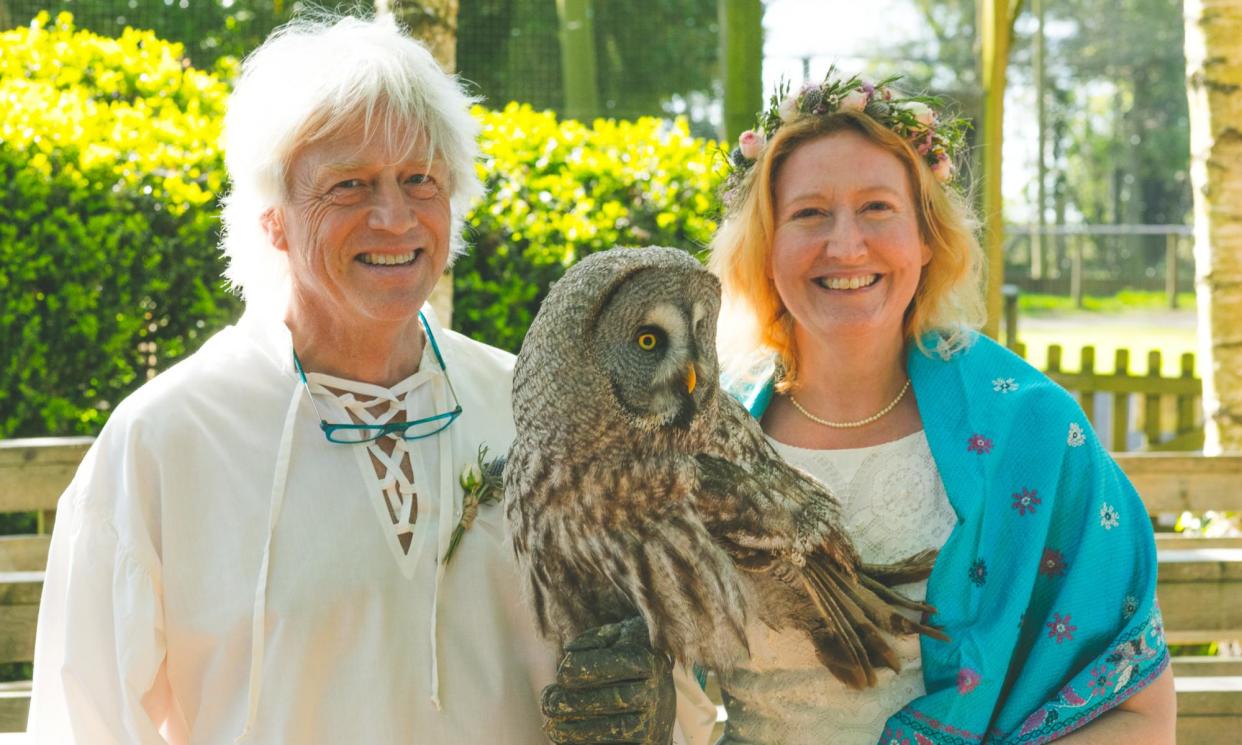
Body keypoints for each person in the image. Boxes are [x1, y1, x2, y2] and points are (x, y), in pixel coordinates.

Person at [27, 13, 715, 744]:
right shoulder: (165, 442)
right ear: (272, 218)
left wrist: (657, 710)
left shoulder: (549, 418)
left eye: (420, 180)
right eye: (349, 185)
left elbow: (674, 699)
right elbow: (84, 721)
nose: (394, 217)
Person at [706, 73, 1176, 744]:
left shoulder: (1031, 431)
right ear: (765, 245)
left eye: (877, 208)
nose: (845, 246)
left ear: (926, 238)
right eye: (808, 213)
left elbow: (1140, 714)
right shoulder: (700, 442)